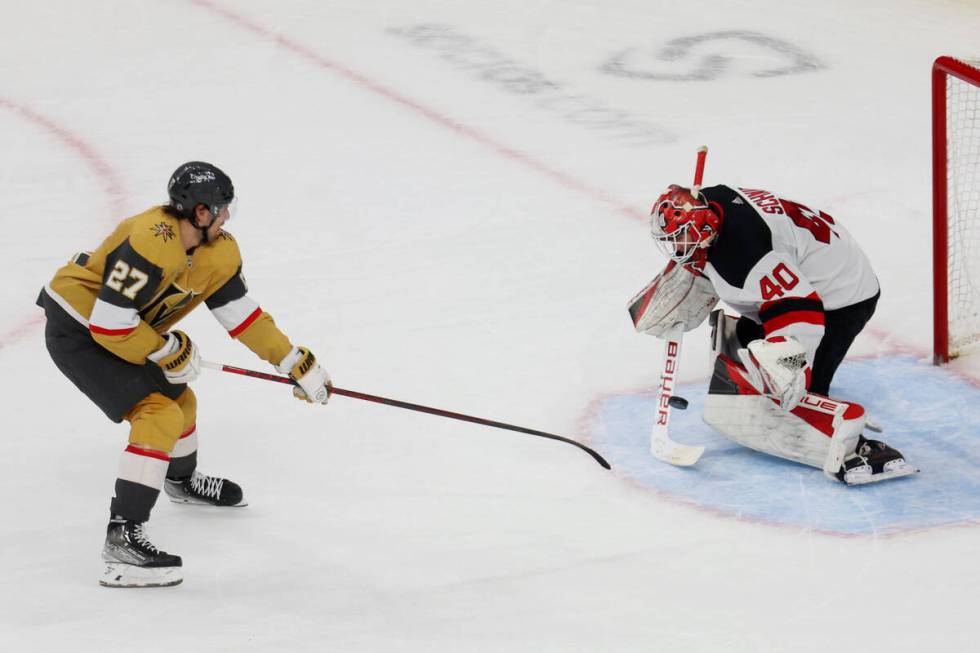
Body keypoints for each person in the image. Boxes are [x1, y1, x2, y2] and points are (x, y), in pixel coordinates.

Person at [37, 162, 333, 587]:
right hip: (78, 329)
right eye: (221, 208)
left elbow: (243, 317)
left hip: (123, 330)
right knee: (158, 414)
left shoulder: (219, 251)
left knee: (181, 401)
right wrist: (165, 350)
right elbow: (109, 323)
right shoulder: (151, 240)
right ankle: (122, 542)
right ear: (199, 212)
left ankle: (180, 481)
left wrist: (292, 362)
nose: (227, 216)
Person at [630, 182, 917, 485]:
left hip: (842, 299)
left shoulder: (748, 255)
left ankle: (856, 450)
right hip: (810, 261)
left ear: (705, 231)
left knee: (795, 395)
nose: (677, 248)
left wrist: (790, 368)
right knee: (747, 346)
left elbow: (802, 313)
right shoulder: (708, 201)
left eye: (683, 238)